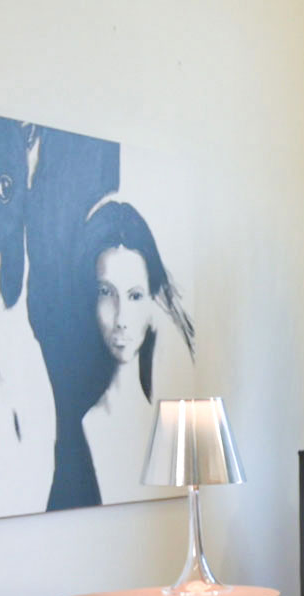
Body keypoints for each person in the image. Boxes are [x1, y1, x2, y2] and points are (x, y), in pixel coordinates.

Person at [75, 200, 196, 504]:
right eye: (106, 293)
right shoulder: (85, 426)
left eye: (135, 296)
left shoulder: (168, 423)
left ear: (153, 301)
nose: (121, 319)